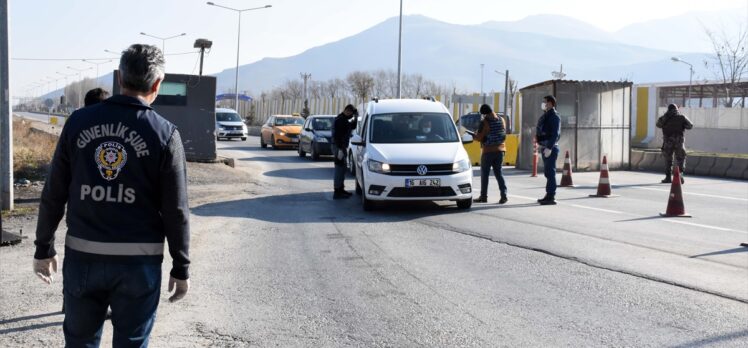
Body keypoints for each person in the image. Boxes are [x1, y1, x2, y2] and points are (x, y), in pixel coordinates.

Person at [33, 44, 191, 347]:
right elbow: (176, 210)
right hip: (139, 266)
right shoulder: (165, 134)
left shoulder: (78, 123)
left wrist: (44, 248)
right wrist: (180, 266)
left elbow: (53, 193)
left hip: (83, 259)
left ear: (120, 78)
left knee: (79, 342)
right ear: (157, 85)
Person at [473, 104, 508, 204]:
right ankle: (504, 195)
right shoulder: (501, 119)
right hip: (501, 150)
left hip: (488, 151)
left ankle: (483, 197)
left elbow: (479, 137)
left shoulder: (484, 122)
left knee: (485, 175)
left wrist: (474, 136)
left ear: (484, 114)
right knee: (499, 174)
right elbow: (503, 133)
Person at [656, 103, 693, 184]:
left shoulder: (664, 118)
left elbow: (658, 125)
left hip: (668, 142)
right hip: (679, 141)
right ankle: (680, 176)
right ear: (677, 109)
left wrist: (666, 117)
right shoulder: (682, 117)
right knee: (680, 159)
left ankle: (668, 177)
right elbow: (690, 126)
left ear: (668, 109)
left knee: (668, 160)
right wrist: (682, 125)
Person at [536, 95, 561, 205]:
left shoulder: (554, 116)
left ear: (551, 103)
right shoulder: (546, 115)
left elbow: (555, 134)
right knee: (547, 172)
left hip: (550, 148)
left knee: (550, 172)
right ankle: (548, 194)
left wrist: (550, 147)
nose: (544, 103)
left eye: (545, 102)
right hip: (544, 147)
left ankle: (551, 196)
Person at [332, 104, 357, 199]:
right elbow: (338, 136)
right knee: (339, 169)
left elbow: (352, 127)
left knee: (342, 169)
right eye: (351, 113)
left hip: (341, 147)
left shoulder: (343, 119)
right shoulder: (340, 120)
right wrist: (340, 150)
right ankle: (337, 191)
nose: (351, 115)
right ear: (347, 111)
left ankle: (341, 189)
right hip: (339, 147)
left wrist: (355, 117)